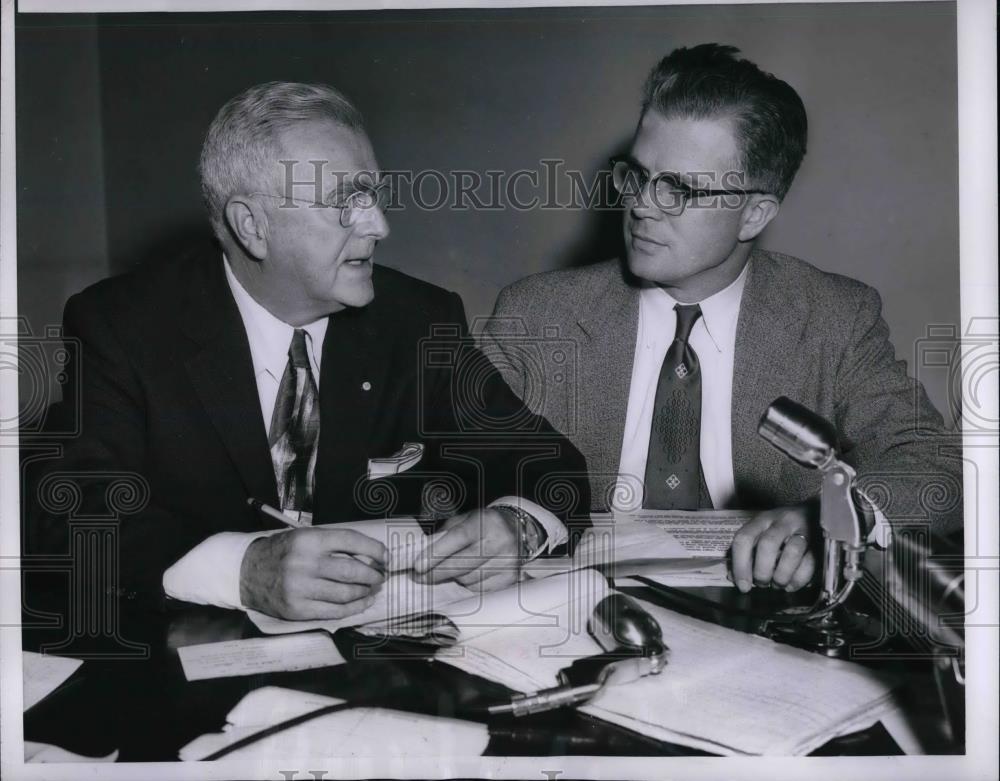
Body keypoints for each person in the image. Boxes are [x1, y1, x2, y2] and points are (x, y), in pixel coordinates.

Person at [37, 81, 589, 620]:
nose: (380, 226)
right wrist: (242, 570)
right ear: (252, 226)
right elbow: (68, 516)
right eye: (345, 202)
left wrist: (518, 524)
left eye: (373, 196)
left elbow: (549, 465)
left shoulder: (418, 319)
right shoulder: (121, 326)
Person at [481, 44, 962, 594]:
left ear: (753, 214)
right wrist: (514, 519)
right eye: (636, 175)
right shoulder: (537, 313)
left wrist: (831, 516)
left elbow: (935, 464)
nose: (641, 205)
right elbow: (457, 464)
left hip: (764, 614)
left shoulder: (833, 317)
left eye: (680, 189)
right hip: (568, 604)